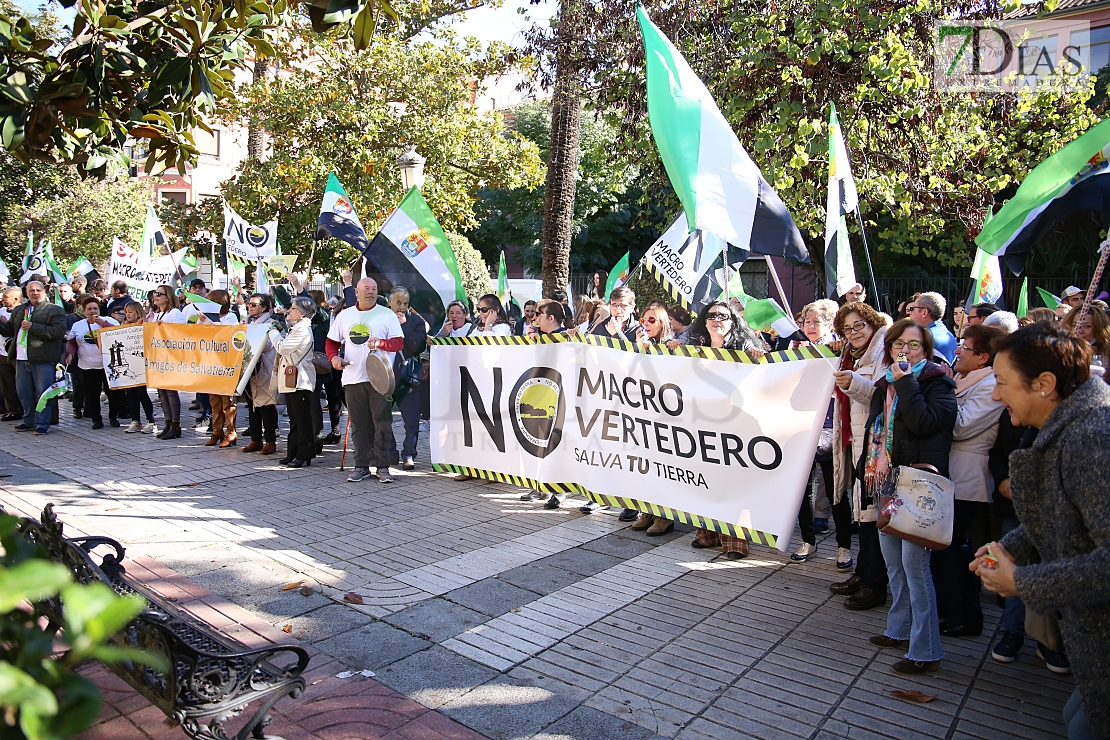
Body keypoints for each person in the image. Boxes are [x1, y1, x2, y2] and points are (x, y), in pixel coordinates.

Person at [971, 324, 1110, 739]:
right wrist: (1008, 546)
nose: (995, 395)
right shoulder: (1073, 425)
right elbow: (1062, 518)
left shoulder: (1092, 439)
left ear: (1045, 384)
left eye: (1001, 382)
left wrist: (1022, 581)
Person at [863, 318, 956, 675]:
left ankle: (926, 650)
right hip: (886, 481)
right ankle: (899, 629)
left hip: (917, 486)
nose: (904, 350)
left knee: (916, 570)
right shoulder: (883, 384)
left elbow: (925, 424)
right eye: (897, 344)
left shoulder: (937, 381)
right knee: (893, 564)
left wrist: (906, 384)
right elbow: (876, 434)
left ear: (926, 350)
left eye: (913, 344)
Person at [932, 324, 1005, 638]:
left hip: (968, 477)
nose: (957, 351)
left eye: (965, 347)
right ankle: (948, 609)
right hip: (950, 472)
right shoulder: (960, 378)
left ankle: (966, 617)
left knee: (958, 550)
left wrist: (938, 401)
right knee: (944, 548)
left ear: (982, 357)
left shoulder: (990, 387)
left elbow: (960, 427)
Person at [679, 300, 765, 556]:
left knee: (731, 481)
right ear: (704, 321)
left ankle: (736, 540)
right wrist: (672, 349)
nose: (717, 319)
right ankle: (707, 533)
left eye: (723, 316)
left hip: (734, 425)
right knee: (706, 480)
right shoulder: (694, 349)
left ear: (733, 322)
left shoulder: (745, 349)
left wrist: (758, 358)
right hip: (702, 424)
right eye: (712, 315)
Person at [829, 302, 890, 610]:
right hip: (855, 439)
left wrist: (852, 382)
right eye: (847, 329)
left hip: (874, 443)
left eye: (858, 326)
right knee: (862, 511)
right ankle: (863, 572)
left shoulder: (884, 349)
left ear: (872, 323)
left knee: (871, 512)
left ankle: (875, 583)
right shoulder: (849, 354)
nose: (853, 333)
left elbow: (882, 392)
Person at [788, 301, 852, 568]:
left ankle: (844, 547)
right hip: (803, 428)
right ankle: (808, 540)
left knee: (836, 491)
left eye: (817, 322)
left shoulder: (839, 349)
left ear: (829, 324)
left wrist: (833, 350)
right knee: (803, 491)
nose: (810, 327)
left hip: (830, 430)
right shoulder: (796, 349)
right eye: (806, 322)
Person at [326, 277, 404, 484]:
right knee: (358, 425)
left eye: (374, 289)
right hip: (352, 377)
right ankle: (361, 466)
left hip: (380, 378)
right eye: (366, 289)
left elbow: (398, 343)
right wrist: (334, 358)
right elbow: (331, 342)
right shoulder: (345, 315)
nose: (370, 292)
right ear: (357, 292)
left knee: (382, 424)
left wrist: (381, 343)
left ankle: (383, 466)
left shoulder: (386, 315)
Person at [0, 281, 66, 435]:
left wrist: (32, 326)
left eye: (38, 290)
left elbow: (58, 332)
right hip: (21, 358)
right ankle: (28, 421)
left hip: (43, 359)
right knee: (24, 393)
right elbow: (9, 330)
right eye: (31, 291)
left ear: (44, 291)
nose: (35, 293)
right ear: (26, 293)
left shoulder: (54, 310)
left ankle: (42, 423)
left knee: (44, 393)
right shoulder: (20, 309)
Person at [270, 296, 317, 467]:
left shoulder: (302, 329)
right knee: (294, 419)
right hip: (292, 379)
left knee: (302, 419)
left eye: (293, 308)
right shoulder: (296, 328)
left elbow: (283, 347)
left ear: (303, 313)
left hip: (300, 380)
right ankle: (293, 452)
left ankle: (304, 453)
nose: (289, 310)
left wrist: (273, 332)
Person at [64, 294, 119, 429]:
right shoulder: (78, 325)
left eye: (95, 308)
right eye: (89, 308)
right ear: (83, 310)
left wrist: (102, 324)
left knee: (113, 394)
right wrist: (70, 354)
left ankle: (113, 417)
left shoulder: (109, 321)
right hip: (87, 365)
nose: (92, 311)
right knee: (91, 394)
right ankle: (96, 419)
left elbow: (118, 333)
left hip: (108, 365)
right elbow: (72, 342)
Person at [192, 290, 240, 446]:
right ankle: (216, 431)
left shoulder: (230, 317)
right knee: (214, 401)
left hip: (226, 364)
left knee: (227, 402)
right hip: (211, 362)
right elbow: (197, 334)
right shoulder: (205, 317)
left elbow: (225, 334)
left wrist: (206, 321)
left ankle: (230, 432)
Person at [388, 287, 428, 471]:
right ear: (390, 302)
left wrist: (404, 325)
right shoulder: (381, 319)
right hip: (385, 377)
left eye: (405, 303)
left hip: (408, 379)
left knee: (411, 420)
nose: (402, 307)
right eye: (398, 303)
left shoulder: (416, 321)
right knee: (382, 418)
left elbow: (418, 346)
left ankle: (409, 454)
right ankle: (389, 452)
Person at [241, 294, 278, 453]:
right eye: (249, 304)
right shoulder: (246, 322)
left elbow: (270, 344)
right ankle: (255, 439)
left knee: (266, 405)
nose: (250, 307)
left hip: (264, 369)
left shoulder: (271, 323)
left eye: (254, 304)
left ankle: (270, 441)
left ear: (264, 307)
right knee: (252, 405)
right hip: (248, 369)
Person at [149, 285, 185, 439]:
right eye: (154, 293)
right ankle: (168, 423)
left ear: (168, 297)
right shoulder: (158, 314)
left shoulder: (175, 313)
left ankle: (176, 425)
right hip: (158, 356)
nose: (155, 296)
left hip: (170, 356)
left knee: (170, 391)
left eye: (159, 294)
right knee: (162, 391)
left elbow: (180, 333)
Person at [121, 302, 157, 434]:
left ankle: (151, 421)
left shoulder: (144, 325)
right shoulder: (123, 326)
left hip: (140, 364)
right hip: (129, 364)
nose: (127, 315)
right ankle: (135, 421)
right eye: (126, 312)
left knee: (142, 394)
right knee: (130, 394)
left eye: (130, 312)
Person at [909, 292, 956, 365]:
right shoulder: (948, 335)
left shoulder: (924, 337)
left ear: (924, 312)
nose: (910, 312)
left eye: (912, 308)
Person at [0, 287, 23, 421]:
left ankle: (26, 409)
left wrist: (3, 323)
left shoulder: (22, 311)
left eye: (6, 297)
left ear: (16, 299)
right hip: (2, 353)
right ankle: (13, 410)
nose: (2, 299)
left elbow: (11, 331)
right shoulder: (1, 310)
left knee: (21, 383)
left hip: (17, 353)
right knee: (6, 384)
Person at [1061, 303, 1110, 368]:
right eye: (1074, 325)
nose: (1080, 331)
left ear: (1099, 328)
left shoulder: (1106, 353)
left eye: (1087, 326)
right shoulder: (1062, 351)